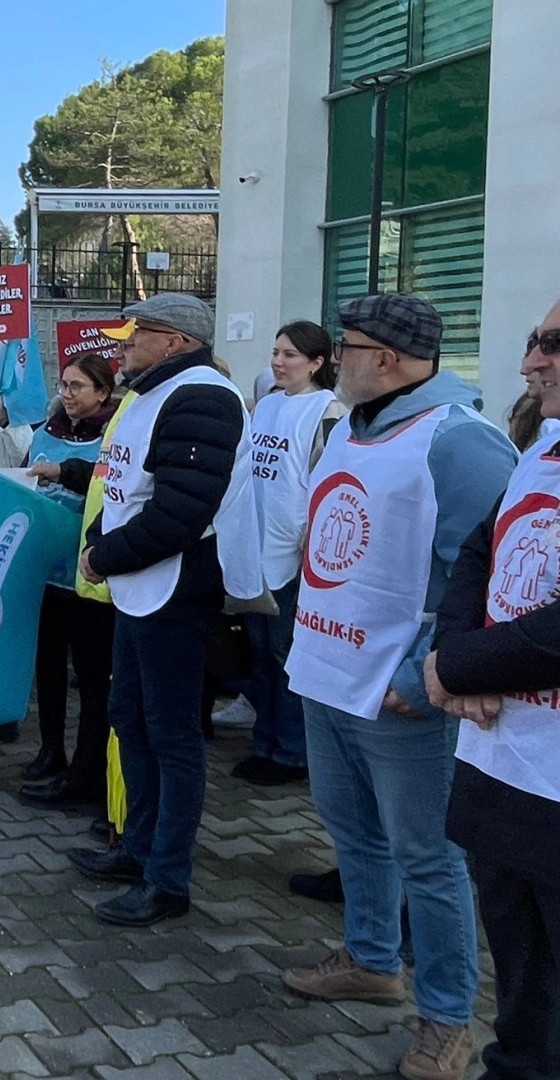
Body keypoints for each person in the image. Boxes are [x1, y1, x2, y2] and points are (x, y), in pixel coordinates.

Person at [281, 294, 516, 1080]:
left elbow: (488, 575)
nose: (333, 358)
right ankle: (371, 959)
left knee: (427, 858)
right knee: (351, 831)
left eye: (344, 345)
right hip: (330, 672)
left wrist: (426, 671)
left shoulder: (459, 441)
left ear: (384, 358)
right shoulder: (351, 425)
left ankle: (446, 1018)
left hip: (397, 690)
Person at [66, 293, 261, 929]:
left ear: (175, 341)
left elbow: (181, 511)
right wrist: (97, 538)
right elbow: (119, 486)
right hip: (138, 584)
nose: (123, 345)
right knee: (130, 716)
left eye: (137, 334)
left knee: (172, 733)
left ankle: (167, 877)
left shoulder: (203, 396)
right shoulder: (150, 392)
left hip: (173, 588)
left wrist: (104, 555)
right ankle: (138, 846)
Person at [427, 299, 560, 1080]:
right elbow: (480, 547)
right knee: (523, 990)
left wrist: (460, 666)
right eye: (534, 341)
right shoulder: (543, 444)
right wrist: (452, 649)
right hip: (505, 766)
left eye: (552, 345)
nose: (528, 363)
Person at [235, 321, 346, 786]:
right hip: (256, 545)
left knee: (285, 656)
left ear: (317, 363)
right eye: (275, 352)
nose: (278, 362)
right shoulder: (267, 406)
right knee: (259, 653)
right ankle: (264, 742)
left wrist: (313, 541)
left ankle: (292, 753)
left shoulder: (329, 411)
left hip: (295, 553)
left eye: (290, 355)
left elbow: (332, 480)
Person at [18, 355, 119, 805]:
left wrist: (64, 475)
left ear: (103, 392)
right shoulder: (44, 432)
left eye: (78, 386)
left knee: (93, 677)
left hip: (90, 576)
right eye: (63, 384)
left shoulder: (112, 437)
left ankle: (87, 764)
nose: (68, 393)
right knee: (48, 666)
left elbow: (107, 488)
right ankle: (50, 749)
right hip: (46, 570)